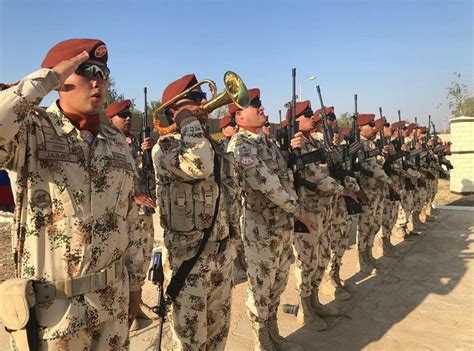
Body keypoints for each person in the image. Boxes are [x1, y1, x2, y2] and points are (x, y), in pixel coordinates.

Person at [0, 38, 145, 349]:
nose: (98, 82)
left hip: (112, 307)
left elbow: (130, 219)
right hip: (54, 318)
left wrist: (135, 286)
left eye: (103, 73)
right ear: (59, 77)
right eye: (85, 71)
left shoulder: (116, 142)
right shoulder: (31, 131)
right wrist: (46, 78)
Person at [227, 89, 316, 351]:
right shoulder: (241, 146)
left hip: (280, 227)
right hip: (260, 230)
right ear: (240, 116)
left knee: (277, 284)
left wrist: (294, 153)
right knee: (260, 288)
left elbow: (286, 175)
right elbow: (268, 184)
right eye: (256, 106)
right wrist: (299, 211)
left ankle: (273, 332)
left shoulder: (267, 143)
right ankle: (261, 342)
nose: (263, 109)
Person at [151, 74, 235, 350]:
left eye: (202, 99)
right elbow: (198, 165)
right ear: (175, 110)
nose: (204, 105)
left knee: (217, 332)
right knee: (190, 339)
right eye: (195, 101)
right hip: (189, 259)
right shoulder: (165, 147)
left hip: (220, 253)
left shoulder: (209, 145)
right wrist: (187, 120)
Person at [288, 101, 345, 331]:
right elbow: (314, 175)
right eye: (307, 114)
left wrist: (334, 148)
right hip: (306, 214)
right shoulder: (293, 144)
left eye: (313, 114)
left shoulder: (313, 141)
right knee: (305, 263)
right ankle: (305, 309)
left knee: (321, 258)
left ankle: (314, 302)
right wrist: (342, 189)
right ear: (296, 120)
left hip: (322, 210)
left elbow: (331, 166)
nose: (313, 117)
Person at [105, 99, 157, 331]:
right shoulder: (104, 142)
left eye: (128, 114)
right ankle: (125, 315)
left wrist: (147, 152)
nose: (127, 117)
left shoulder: (134, 141)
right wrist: (132, 198)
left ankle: (136, 307)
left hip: (143, 213)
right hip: (124, 215)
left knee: (141, 261)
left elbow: (143, 173)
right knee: (124, 265)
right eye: (122, 114)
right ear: (110, 119)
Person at [357, 114, 398, 275]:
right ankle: (362, 261)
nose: (374, 128)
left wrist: (385, 154)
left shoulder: (372, 144)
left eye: (375, 124)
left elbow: (380, 164)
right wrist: (389, 182)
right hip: (367, 192)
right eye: (371, 125)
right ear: (361, 127)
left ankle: (369, 255)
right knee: (365, 226)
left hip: (378, 192)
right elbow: (373, 168)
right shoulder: (358, 145)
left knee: (374, 225)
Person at [217, 115, 247, 283]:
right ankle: (233, 268)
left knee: (238, 230)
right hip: (226, 197)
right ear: (223, 130)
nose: (235, 127)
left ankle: (241, 264)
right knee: (230, 231)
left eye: (235, 125)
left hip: (237, 195)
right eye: (230, 125)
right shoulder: (221, 146)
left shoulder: (240, 144)